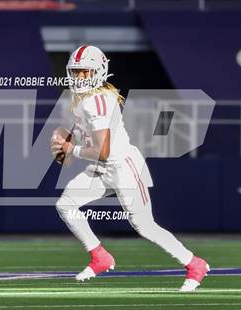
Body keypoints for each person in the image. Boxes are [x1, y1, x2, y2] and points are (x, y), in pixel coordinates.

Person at [51, 46, 209, 292]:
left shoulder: (99, 101)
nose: (80, 77)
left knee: (144, 225)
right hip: (101, 168)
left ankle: (194, 264)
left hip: (122, 167)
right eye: (76, 72)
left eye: (85, 72)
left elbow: (102, 151)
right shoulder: (80, 100)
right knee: (65, 205)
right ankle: (100, 256)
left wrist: (71, 149)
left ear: (99, 72)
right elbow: (78, 152)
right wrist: (63, 148)